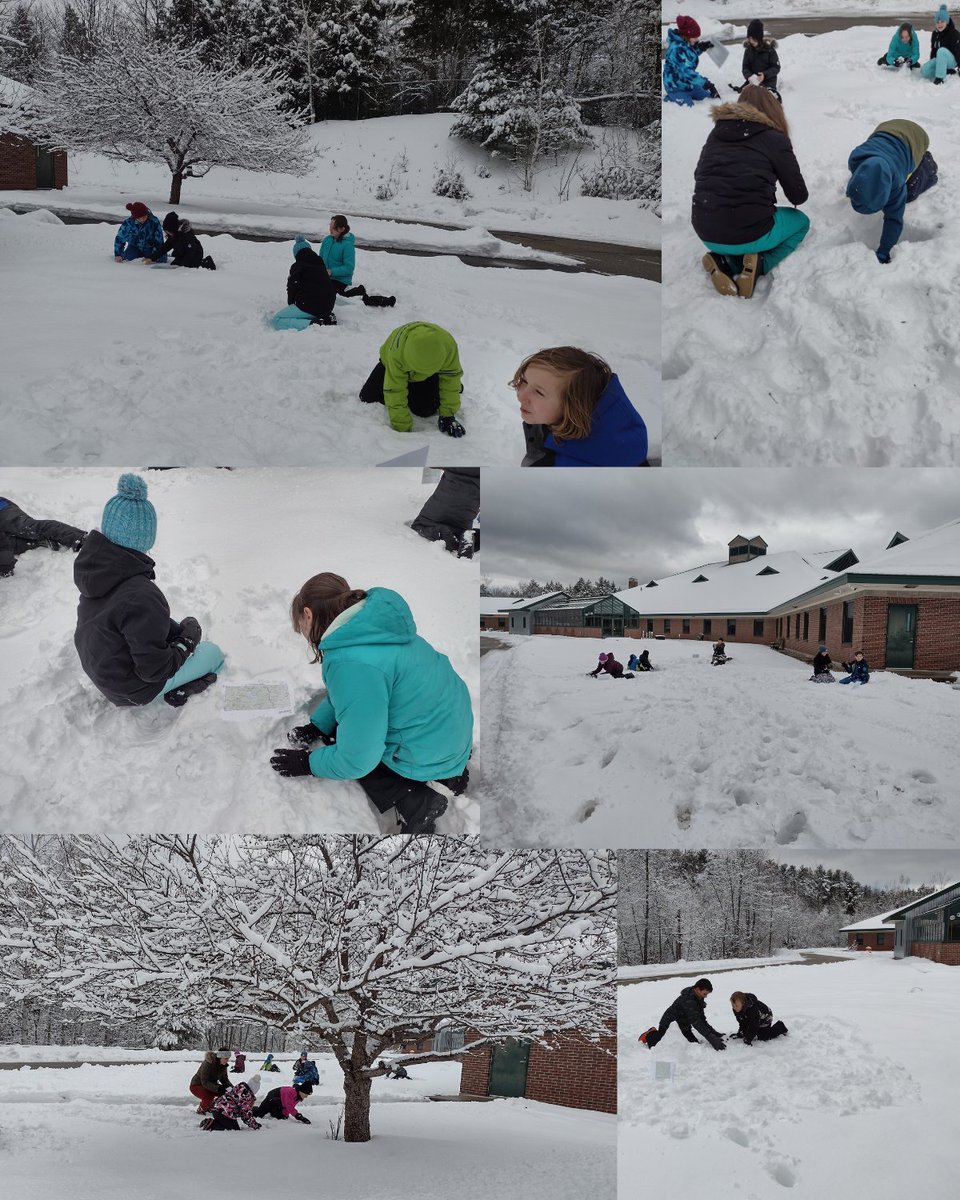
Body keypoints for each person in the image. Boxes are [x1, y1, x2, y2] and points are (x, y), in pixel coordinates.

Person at [269, 573, 473, 835]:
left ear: (308, 615)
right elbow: (356, 694)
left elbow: (357, 759)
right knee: (347, 728)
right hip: (451, 737)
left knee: (347, 747)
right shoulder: (375, 629)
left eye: (302, 627)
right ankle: (449, 774)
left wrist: (307, 763)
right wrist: (319, 726)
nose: (305, 635)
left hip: (431, 752)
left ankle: (415, 800)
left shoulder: (352, 661)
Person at [73, 474, 224, 708]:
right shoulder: (140, 594)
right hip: (132, 690)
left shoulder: (96, 570)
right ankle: (185, 690)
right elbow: (154, 670)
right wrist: (186, 641)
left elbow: (127, 619)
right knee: (213, 653)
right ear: (145, 536)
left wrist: (173, 630)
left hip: (104, 674)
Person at [693, 83, 809, 299]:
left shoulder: (716, 134)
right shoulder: (774, 138)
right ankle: (757, 263)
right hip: (751, 231)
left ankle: (723, 261)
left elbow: (698, 175)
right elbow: (798, 196)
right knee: (801, 222)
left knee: (742, 226)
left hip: (704, 228)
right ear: (772, 109)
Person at [514, 348, 648, 467]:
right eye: (525, 381)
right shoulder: (612, 414)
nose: (521, 396)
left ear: (572, 408)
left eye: (539, 392)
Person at [847, 120, 937, 263]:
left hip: (917, 136)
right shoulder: (855, 158)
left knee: (911, 191)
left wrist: (884, 251)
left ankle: (927, 165)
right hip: (886, 128)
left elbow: (894, 220)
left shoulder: (897, 184)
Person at [359, 322, 465, 436]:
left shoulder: (448, 347)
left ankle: (438, 383)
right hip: (390, 365)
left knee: (426, 410)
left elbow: (451, 377)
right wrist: (402, 427)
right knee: (367, 396)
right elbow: (394, 389)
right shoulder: (397, 353)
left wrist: (448, 415)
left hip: (429, 374)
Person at [0, 495, 85, 578]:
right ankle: (40, 542)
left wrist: (4, 567)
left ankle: (80, 538)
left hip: (2, 509)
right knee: (12, 544)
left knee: (30, 528)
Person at [320, 215, 395, 307]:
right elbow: (320, 259)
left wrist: (331, 272)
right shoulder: (327, 240)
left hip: (340, 280)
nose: (330, 229)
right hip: (325, 277)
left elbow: (349, 268)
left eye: (333, 227)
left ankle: (377, 299)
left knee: (330, 295)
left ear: (342, 229)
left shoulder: (347, 245)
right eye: (330, 226)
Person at [639, 979, 726, 1051]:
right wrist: (711, 1038)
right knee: (658, 1046)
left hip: (683, 1025)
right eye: (705, 994)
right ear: (697, 989)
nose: (706, 996)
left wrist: (714, 1033)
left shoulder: (699, 998)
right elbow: (695, 1021)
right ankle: (650, 1034)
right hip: (669, 1024)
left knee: (693, 1044)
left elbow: (702, 1019)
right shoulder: (688, 1000)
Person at [272, 235, 338, 330]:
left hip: (310, 305)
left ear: (297, 254)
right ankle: (325, 317)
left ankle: (314, 324)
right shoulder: (320, 265)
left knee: (277, 320)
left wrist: (291, 305)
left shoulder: (298, 266)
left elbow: (292, 287)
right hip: (328, 305)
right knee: (312, 307)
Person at [411, 468, 479, 558]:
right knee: (461, 532)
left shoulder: (454, 457)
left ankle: (443, 533)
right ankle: (469, 536)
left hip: (437, 511)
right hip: (466, 514)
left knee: (420, 525)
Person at [663, 16, 720, 106]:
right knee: (688, 105)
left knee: (707, 98)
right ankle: (670, 97)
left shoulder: (685, 43)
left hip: (688, 84)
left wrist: (701, 48)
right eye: (695, 37)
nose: (697, 39)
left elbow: (688, 54)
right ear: (687, 35)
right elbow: (687, 72)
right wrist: (706, 83)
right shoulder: (676, 49)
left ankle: (687, 94)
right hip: (675, 85)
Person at [146, 211, 215, 269]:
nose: (166, 233)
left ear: (173, 229)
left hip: (195, 254)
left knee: (188, 266)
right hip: (182, 254)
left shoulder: (187, 235)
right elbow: (164, 248)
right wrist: (151, 258)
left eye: (168, 231)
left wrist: (183, 267)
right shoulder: (173, 236)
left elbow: (191, 252)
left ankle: (206, 262)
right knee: (174, 265)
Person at [740, 20, 781, 97]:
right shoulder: (748, 50)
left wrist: (764, 75)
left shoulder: (769, 50)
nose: (751, 41)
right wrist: (749, 76)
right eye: (749, 38)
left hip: (768, 81)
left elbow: (776, 67)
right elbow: (745, 67)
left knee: (764, 97)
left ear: (759, 38)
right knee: (746, 96)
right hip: (753, 81)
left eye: (753, 38)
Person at [922, 7, 960, 81]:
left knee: (941, 50)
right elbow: (933, 50)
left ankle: (940, 78)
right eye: (937, 22)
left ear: (947, 21)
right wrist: (932, 63)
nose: (939, 24)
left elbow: (958, 51)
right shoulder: (935, 33)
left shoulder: (954, 33)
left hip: (952, 61)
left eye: (942, 21)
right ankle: (945, 70)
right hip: (940, 60)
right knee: (924, 71)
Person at [189, 1049, 231, 1113]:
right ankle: (201, 1110)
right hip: (197, 1085)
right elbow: (204, 1081)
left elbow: (224, 1080)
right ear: (220, 1057)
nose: (227, 1060)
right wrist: (218, 1088)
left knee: (225, 1093)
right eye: (225, 1058)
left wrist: (232, 1089)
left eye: (228, 1058)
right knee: (208, 1096)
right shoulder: (208, 1063)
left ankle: (211, 1105)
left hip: (210, 1085)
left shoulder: (223, 1066)